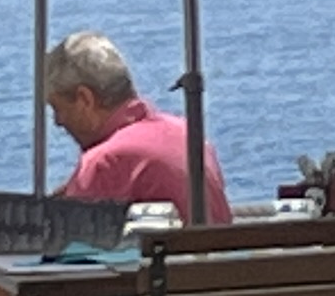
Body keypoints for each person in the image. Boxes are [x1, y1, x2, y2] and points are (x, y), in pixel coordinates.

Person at [42, 30, 230, 223]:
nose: (58, 121)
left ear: (85, 99)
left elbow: (72, 236)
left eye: (58, 108)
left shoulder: (104, 163)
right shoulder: (189, 135)